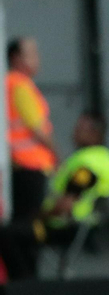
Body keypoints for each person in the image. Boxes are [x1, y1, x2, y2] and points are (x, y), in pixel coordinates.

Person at [0, 111, 109, 280]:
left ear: (95, 133)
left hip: (64, 226)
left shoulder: (89, 163)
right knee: (20, 231)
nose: (74, 133)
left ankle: (23, 286)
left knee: (8, 234)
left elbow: (66, 205)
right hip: (73, 224)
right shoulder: (104, 158)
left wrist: (37, 216)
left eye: (80, 129)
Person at [6, 36, 55, 225]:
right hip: (29, 165)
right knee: (28, 223)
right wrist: (56, 153)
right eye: (32, 54)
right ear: (15, 58)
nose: (37, 59)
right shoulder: (19, 85)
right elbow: (37, 129)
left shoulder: (9, 83)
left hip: (17, 163)